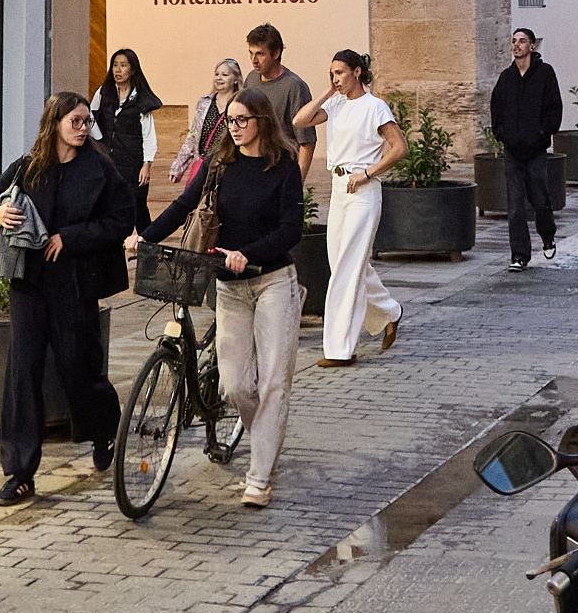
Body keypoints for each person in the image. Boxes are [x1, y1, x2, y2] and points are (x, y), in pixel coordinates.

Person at [142, 86, 303, 508]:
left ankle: (260, 475)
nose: (233, 128)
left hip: (273, 282)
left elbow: (291, 230)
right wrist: (145, 237)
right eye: (229, 121)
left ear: (262, 121)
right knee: (235, 386)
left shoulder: (283, 165)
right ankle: (268, 441)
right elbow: (184, 205)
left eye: (241, 120)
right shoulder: (219, 163)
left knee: (272, 384)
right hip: (229, 289)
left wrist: (248, 254)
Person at [0, 90, 133, 506]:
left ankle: (105, 432)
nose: (83, 129)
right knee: (22, 373)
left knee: (78, 368)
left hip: (75, 283)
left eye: (86, 122)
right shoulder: (29, 167)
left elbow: (120, 220)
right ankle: (20, 472)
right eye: (75, 122)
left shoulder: (99, 168)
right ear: (55, 123)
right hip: (29, 283)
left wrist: (72, 237)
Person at [293, 52, 407, 368]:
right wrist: (329, 92)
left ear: (357, 72)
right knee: (346, 262)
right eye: (332, 73)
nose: (336, 78)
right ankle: (389, 311)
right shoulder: (336, 104)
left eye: (341, 73)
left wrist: (369, 172)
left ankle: (340, 349)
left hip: (364, 190)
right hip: (340, 188)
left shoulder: (375, 107)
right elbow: (299, 120)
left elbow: (400, 148)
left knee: (346, 269)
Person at [489, 28, 562, 270]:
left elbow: (554, 108)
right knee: (515, 205)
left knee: (540, 199)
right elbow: (496, 109)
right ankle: (519, 255)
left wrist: (543, 134)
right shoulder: (506, 78)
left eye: (522, 41)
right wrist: (502, 134)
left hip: (536, 151)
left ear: (532, 46)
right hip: (512, 151)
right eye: (514, 41)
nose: (517, 45)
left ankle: (548, 235)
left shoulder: (545, 74)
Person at [90, 48, 162, 232]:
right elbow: (90, 117)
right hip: (108, 160)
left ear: (133, 70)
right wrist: (99, 141)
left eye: (123, 66)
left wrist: (147, 164)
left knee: (137, 206)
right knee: (109, 203)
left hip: (133, 163)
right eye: (115, 65)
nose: (118, 70)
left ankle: (146, 244)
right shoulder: (103, 92)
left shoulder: (140, 99)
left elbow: (148, 135)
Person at [245, 25, 317, 180]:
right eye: (250, 53)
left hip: (281, 168)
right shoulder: (251, 79)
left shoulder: (295, 86)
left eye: (260, 54)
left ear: (276, 53)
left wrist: (297, 182)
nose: (254, 60)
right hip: (254, 166)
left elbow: (306, 142)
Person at [168, 57, 243, 185]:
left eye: (224, 75)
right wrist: (178, 167)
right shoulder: (205, 102)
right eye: (216, 74)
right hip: (201, 166)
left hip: (226, 168)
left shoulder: (240, 105)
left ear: (236, 79)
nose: (219, 78)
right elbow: (192, 136)